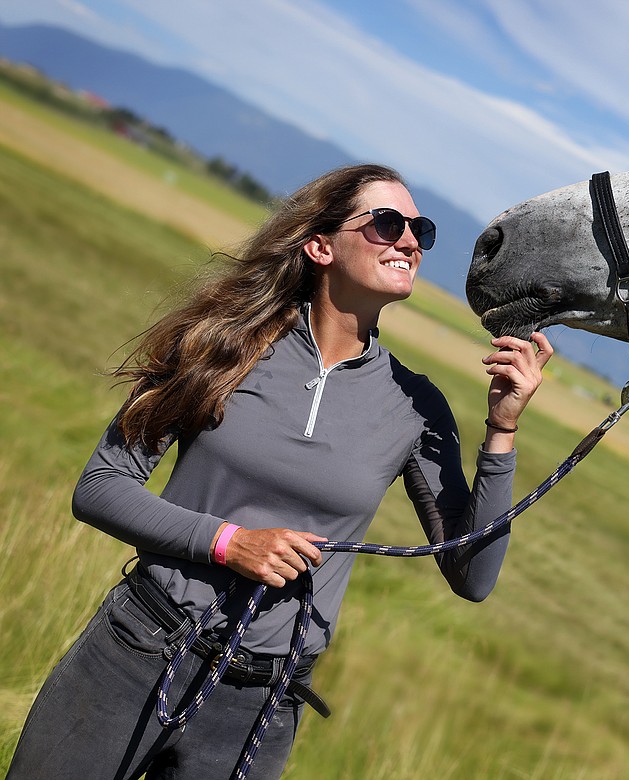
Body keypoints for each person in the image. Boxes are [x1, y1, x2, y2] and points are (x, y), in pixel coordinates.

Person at [6, 164, 553, 779]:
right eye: (387, 223)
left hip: (256, 707)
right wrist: (229, 544)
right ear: (320, 246)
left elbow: (472, 574)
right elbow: (100, 487)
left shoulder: (416, 406)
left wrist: (502, 431)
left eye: (418, 230)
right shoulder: (221, 343)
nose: (408, 241)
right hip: (135, 657)